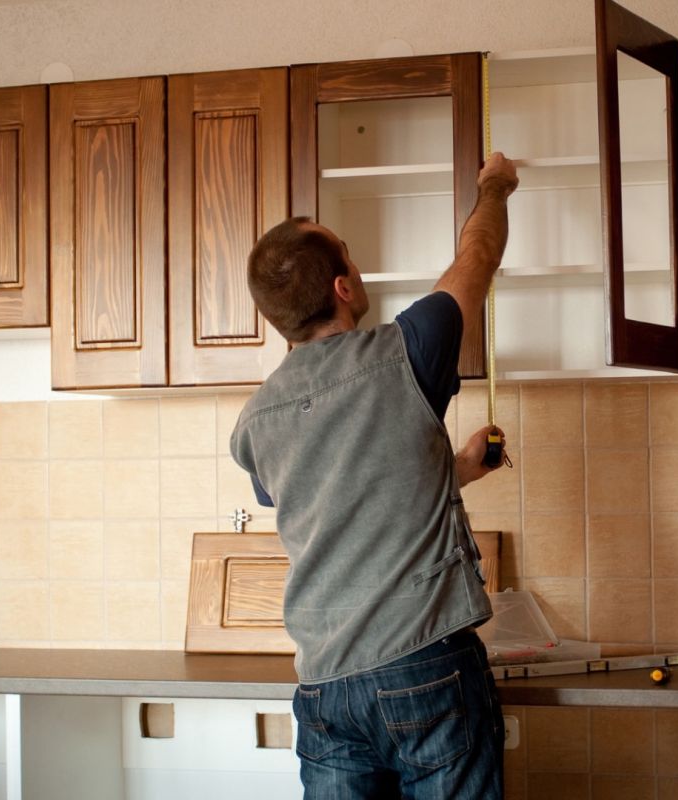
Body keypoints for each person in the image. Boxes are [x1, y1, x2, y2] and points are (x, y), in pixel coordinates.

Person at [231, 152, 520, 799]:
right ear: (343, 288)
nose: (356, 268)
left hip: (325, 689)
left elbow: (341, 497)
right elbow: (477, 258)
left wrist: (457, 472)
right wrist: (494, 188)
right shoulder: (409, 349)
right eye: (348, 256)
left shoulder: (255, 424)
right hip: (426, 668)